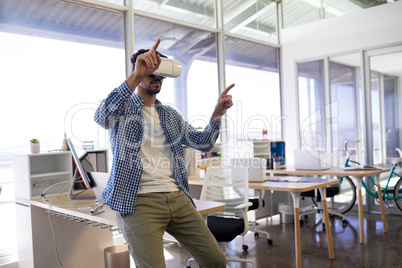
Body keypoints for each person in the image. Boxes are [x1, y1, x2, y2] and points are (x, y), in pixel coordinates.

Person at [94, 38, 234, 268]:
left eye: (159, 71)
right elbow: (102, 116)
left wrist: (217, 115)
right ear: (137, 71)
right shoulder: (124, 108)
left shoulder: (169, 114)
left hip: (177, 197)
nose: (156, 75)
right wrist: (136, 76)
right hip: (138, 202)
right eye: (149, 70)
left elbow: (203, 142)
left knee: (215, 260)